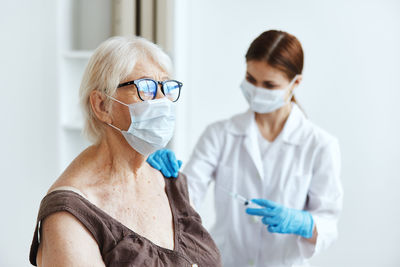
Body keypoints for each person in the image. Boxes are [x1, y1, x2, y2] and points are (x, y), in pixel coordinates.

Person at [147, 30, 343, 267]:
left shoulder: (320, 145)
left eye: (269, 85)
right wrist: (159, 177)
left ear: (295, 83)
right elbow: (186, 199)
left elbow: (329, 223)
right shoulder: (220, 135)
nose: (257, 90)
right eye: (251, 79)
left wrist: (305, 223)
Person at [29, 36, 221, 267]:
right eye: (146, 88)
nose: (162, 102)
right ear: (102, 105)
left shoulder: (170, 181)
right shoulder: (70, 216)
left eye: (166, 87)